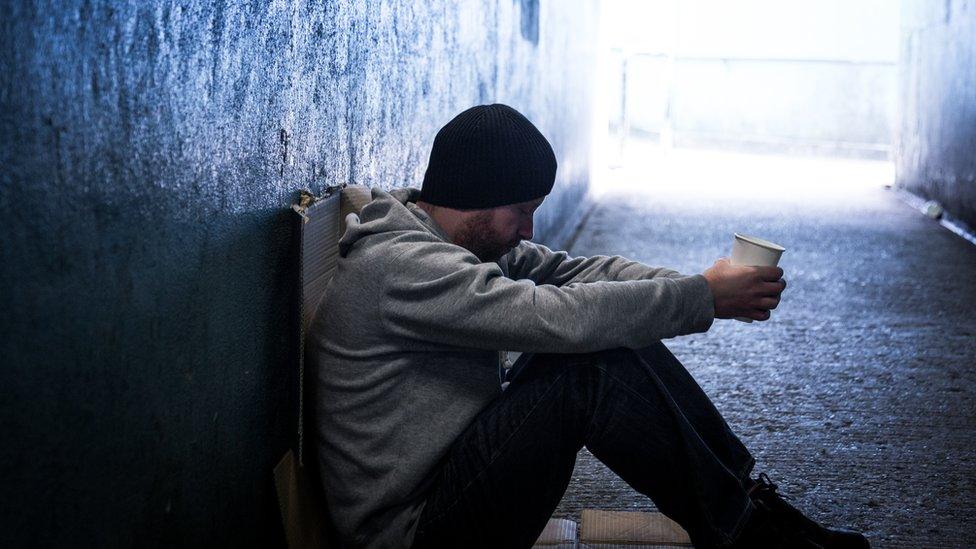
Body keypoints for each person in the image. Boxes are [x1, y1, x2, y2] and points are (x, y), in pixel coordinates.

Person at [308, 104, 869, 548]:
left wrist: (703, 284)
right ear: (478, 196)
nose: (528, 230)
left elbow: (581, 274)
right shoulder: (402, 268)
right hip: (415, 530)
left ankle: (753, 514)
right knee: (586, 364)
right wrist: (702, 298)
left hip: (451, 480)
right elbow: (556, 316)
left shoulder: (452, 245)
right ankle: (749, 533)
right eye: (522, 209)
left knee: (612, 330)